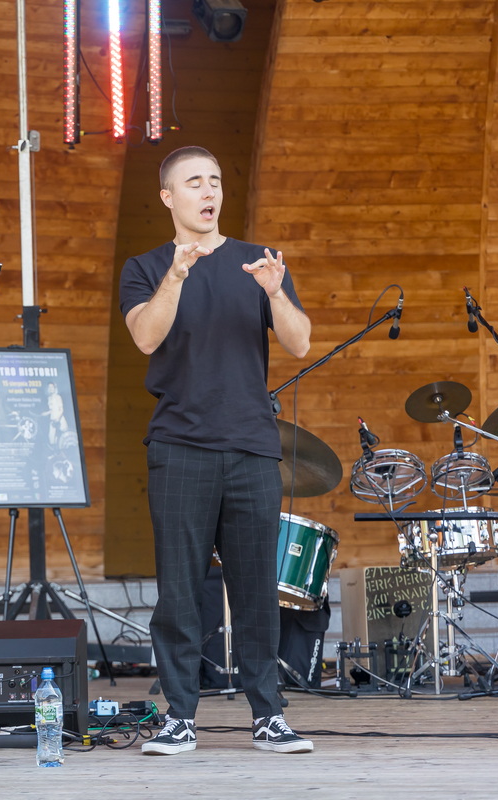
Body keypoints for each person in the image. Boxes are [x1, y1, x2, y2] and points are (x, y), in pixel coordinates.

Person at [118, 146, 314, 755]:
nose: (209, 191)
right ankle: (180, 714)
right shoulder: (146, 267)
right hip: (179, 446)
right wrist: (177, 274)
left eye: (216, 180)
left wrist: (278, 294)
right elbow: (147, 337)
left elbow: (300, 343)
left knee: (257, 588)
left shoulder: (260, 262)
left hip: (252, 446)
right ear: (168, 198)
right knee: (179, 590)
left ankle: (268, 714)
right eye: (194, 182)